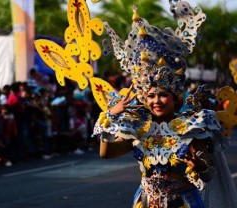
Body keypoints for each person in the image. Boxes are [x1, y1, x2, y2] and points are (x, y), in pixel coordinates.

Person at [91, 2, 237, 208]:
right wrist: (110, 118)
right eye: (151, 96)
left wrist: (198, 167)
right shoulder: (138, 125)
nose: (156, 101)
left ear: (175, 96)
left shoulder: (192, 126)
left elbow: (210, 173)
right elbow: (106, 154)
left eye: (163, 95)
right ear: (144, 97)